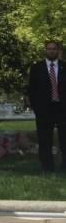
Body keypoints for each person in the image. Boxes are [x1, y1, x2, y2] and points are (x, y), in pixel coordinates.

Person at [26, 40, 66, 172]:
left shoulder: (64, 66)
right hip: (44, 109)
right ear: (45, 50)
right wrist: (36, 107)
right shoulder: (37, 68)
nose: (52, 51)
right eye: (49, 48)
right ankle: (47, 166)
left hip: (62, 108)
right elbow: (32, 89)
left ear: (58, 50)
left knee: (64, 138)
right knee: (44, 139)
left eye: (54, 48)